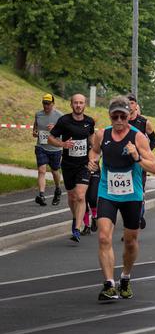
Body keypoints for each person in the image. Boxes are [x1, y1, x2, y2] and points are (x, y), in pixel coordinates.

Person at [88, 96, 155, 301]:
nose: (119, 120)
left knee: (130, 241)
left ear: (129, 116)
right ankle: (109, 284)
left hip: (131, 194)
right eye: (114, 116)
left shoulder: (138, 137)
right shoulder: (102, 135)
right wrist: (92, 163)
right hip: (107, 191)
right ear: (110, 116)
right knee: (103, 237)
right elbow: (94, 152)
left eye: (123, 116)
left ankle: (125, 276)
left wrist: (137, 156)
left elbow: (153, 167)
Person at [48, 94, 95, 242]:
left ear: (85, 105)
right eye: (76, 103)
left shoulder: (89, 121)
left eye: (81, 103)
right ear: (71, 104)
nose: (78, 105)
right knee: (71, 196)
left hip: (84, 164)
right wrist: (62, 144)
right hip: (68, 164)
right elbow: (51, 137)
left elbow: (92, 140)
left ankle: (77, 227)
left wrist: (93, 156)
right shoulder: (64, 121)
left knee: (81, 196)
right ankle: (76, 218)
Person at [127, 95, 155, 229]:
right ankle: (132, 218)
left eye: (132, 103)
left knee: (139, 190)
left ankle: (138, 215)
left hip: (139, 162)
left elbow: (154, 140)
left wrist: (145, 155)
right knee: (127, 191)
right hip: (124, 161)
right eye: (127, 103)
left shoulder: (144, 122)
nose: (129, 106)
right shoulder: (121, 121)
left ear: (136, 105)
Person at [32, 93, 63, 206]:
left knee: (55, 171)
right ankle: (41, 195)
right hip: (41, 147)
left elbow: (65, 131)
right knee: (42, 170)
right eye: (44, 103)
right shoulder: (38, 115)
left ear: (53, 104)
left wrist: (56, 128)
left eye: (48, 104)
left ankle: (58, 189)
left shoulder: (60, 116)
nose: (46, 106)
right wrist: (35, 133)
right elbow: (35, 128)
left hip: (55, 148)